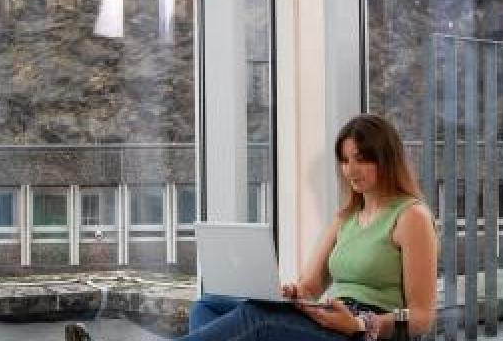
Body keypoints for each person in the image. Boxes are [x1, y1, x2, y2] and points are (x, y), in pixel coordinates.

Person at [66, 114, 438, 341]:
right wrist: (291, 292)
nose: (350, 170)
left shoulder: (411, 217)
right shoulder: (346, 217)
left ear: (384, 158)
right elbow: (310, 286)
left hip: (361, 332)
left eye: (361, 159)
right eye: (344, 161)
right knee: (207, 307)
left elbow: (423, 318)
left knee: (253, 320)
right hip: (329, 313)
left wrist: (359, 324)